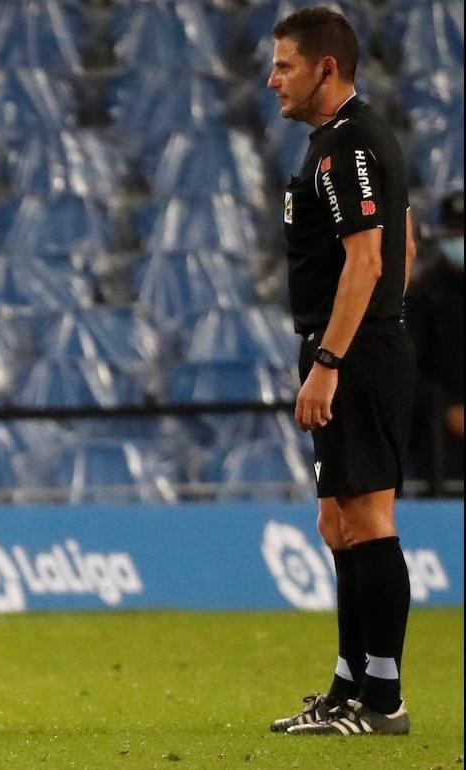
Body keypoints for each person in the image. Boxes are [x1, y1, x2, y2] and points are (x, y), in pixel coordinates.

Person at [266, 8, 416, 736]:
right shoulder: (341, 142)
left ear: (327, 68)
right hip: (355, 343)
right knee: (337, 522)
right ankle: (350, 686)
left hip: (352, 351)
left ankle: (382, 701)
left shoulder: (349, 144)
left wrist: (333, 358)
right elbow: (404, 244)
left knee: (367, 519)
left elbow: (370, 257)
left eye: (286, 65)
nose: (272, 80)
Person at [405, 193, 464, 495]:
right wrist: (447, 408)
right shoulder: (423, 294)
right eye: (456, 233)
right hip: (438, 427)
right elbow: (408, 367)